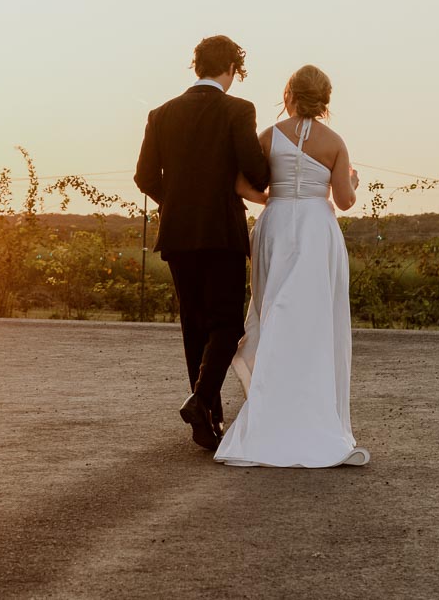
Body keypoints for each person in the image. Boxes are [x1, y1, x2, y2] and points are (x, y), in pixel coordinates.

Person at [214, 64, 371, 468]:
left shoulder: (269, 136)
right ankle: (312, 412)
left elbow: (241, 185)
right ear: (325, 99)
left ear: (289, 93)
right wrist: (351, 178)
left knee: (273, 313)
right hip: (317, 229)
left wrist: (275, 199)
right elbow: (347, 199)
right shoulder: (335, 142)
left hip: (277, 226)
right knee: (315, 320)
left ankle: (271, 409)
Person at [134, 35, 270, 451]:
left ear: (197, 66)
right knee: (227, 323)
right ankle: (200, 401)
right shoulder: (238, 109)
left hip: (177, 233)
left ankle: (207, 417)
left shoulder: (161, 114)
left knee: (194, 324)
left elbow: (144, 177)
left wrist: (175, 201)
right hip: (221, 233)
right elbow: (258, 174)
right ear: (231, 67)